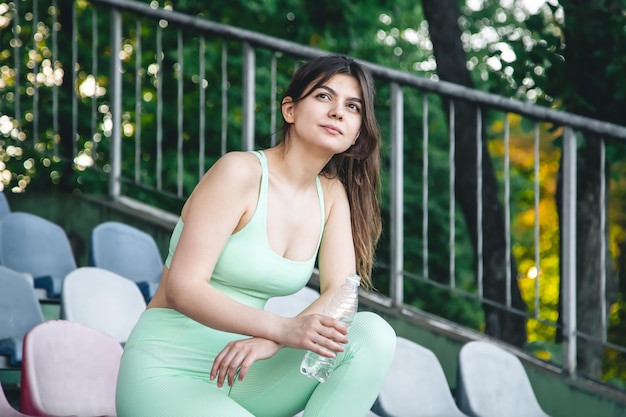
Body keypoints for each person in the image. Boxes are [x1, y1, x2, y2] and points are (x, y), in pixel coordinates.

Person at [115, 54, 396, 417]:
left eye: (352, 106)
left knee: (371, 334)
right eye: (324, 97)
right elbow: (183, 287)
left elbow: (339, 293)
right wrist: (283, 329)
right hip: (168, 367)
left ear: (358, 131)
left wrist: (271, 340)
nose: (338, 111)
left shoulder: (332, 194)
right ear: (290, 110)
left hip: (247, 372)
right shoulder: (240, 172)